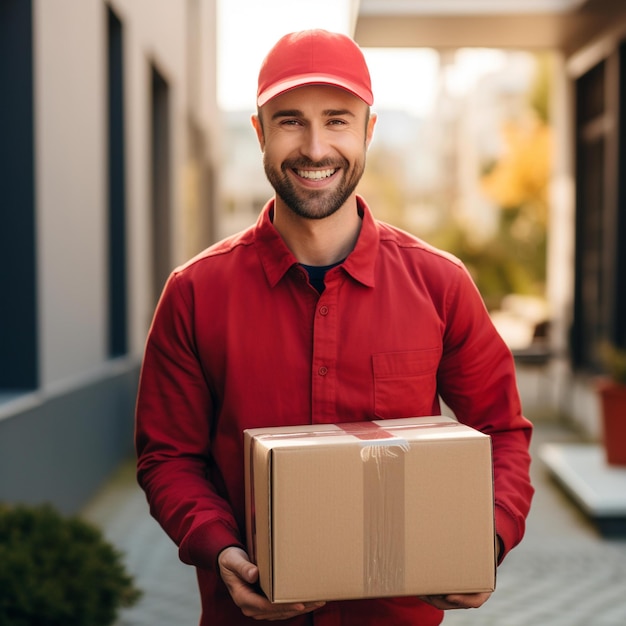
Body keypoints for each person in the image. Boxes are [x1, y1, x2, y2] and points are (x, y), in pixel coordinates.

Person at [135, 29, 534, 626]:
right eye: (291, 120)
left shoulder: (440, 284)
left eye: (338, 120)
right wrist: (221, 550)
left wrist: (490, 540)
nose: (316, 147)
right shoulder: (195, 293)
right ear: (260, 133)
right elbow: (168, 458)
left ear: (369, 131)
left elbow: (501, 431)